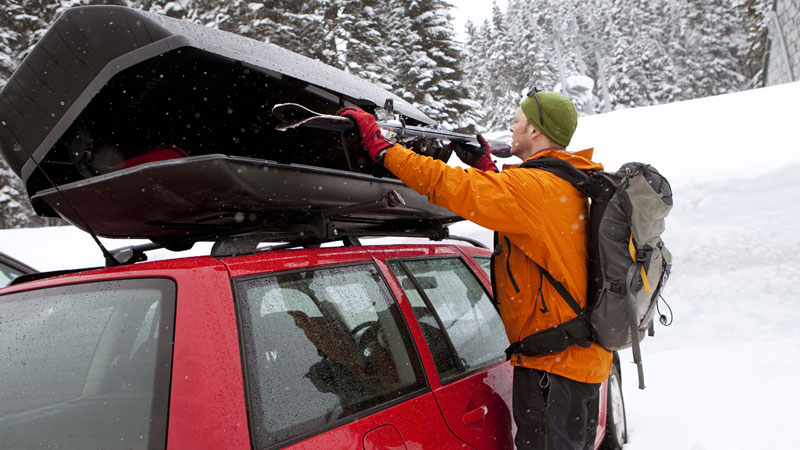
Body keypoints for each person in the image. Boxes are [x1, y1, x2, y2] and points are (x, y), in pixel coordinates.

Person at [339, 90, 612, 450]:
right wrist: (486, 168)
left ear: (534, 131)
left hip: (554, 370)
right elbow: (522, 213)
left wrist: (383, 147)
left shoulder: (536, 189)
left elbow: (451, 186)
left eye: (516, 120)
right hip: (576, 363)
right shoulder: (566, 182)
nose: (511, 127)